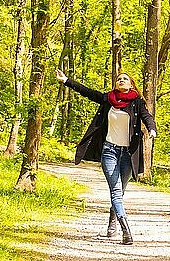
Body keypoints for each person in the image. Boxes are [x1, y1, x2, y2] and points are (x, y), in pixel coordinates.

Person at [55, 69, 156, 245]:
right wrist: (66, 81)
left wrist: (152, 128)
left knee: (119, 191)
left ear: (131, 84)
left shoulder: (137, 102)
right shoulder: (108, 99)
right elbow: (88, 92)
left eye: (125, 79)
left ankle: (111, 226)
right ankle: (126, 232)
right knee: (116, 190)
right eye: (119, 79)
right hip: (109, 151)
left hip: (128, 153)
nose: (121, 80)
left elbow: (147, 116)